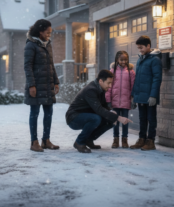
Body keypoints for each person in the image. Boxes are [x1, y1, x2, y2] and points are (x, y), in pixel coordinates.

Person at [66, 70, 132, 153]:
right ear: (101, 81)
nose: (110, 86)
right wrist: (118, 117)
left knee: (110, 120)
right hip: (73, 118)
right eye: (108, 83)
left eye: (111, 83)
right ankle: (79, 142)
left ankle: (88, 140)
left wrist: (111, 112)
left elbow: (103, 106)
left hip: (85, 115)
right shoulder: (91, 90)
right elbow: (99, 109)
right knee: (96, 119)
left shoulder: (100, 89)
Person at [24, 19, 60, 153]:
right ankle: (34, 142)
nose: (49, 34)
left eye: (50, 32)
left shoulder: (47, 44)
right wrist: (31, 85)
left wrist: (56, 81)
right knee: (34, 113)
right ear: (40, 31)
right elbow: (27, 67)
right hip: (36, 85)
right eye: (47, 32)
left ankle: (46, 140)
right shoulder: (31, 45)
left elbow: (51, 65)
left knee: (48, 113)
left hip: (48, 84)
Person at [130, 35, 162, 151]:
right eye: (138, 48)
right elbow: (137, 79)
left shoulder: (155, 60)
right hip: (140, 95)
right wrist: (133, 95)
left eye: (141, 47)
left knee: (151, 118)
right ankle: (141, 139)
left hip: (149, 96)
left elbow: (157, 78)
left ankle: (150, 141)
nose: (140, 50)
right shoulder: (140, 59)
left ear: (148, 46)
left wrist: (153, 95)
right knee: (142, 118)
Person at [106, 51, 135, 149]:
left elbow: (133, 87)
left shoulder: (131, 72)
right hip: (114, 101)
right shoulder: (112, 71)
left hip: (126, 101)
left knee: (125, 121)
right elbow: (109, 87)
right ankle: (116, 139)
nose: (123, 61)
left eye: (125, 60)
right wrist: (108, 100)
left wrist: (133, 99)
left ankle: (125, 139)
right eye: (121, 60)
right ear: (117, 60)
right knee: (115, 121)